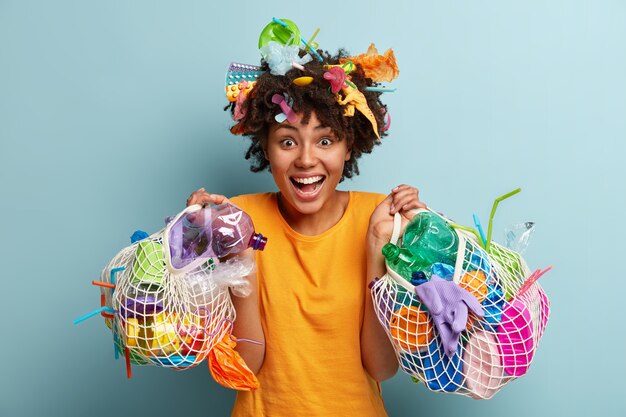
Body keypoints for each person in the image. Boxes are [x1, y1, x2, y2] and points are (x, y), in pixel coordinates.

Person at [187, 35, 425, 417]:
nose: (306, 159)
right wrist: (237, 261)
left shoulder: (378, 219)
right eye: (287, 142)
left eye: (326, 140)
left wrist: (380, 248)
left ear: (349, 146)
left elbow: (382, 367)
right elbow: (243, 369)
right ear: (265, 147)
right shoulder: (238, 219)